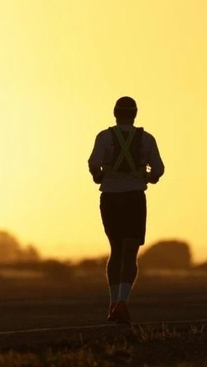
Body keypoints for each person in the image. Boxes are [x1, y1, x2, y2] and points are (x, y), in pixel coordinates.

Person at [87, 96, 165, 324]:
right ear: (135, 114)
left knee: (116, 251)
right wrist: (150, 177)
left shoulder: (104, 137)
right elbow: (159, 169)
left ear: (114, 113)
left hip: (110, 199)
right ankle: (122, 302)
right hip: (134, 199)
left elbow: (93, 163)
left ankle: (113, 303)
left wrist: (98, 175)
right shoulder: (147, 139)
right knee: (130, 253)